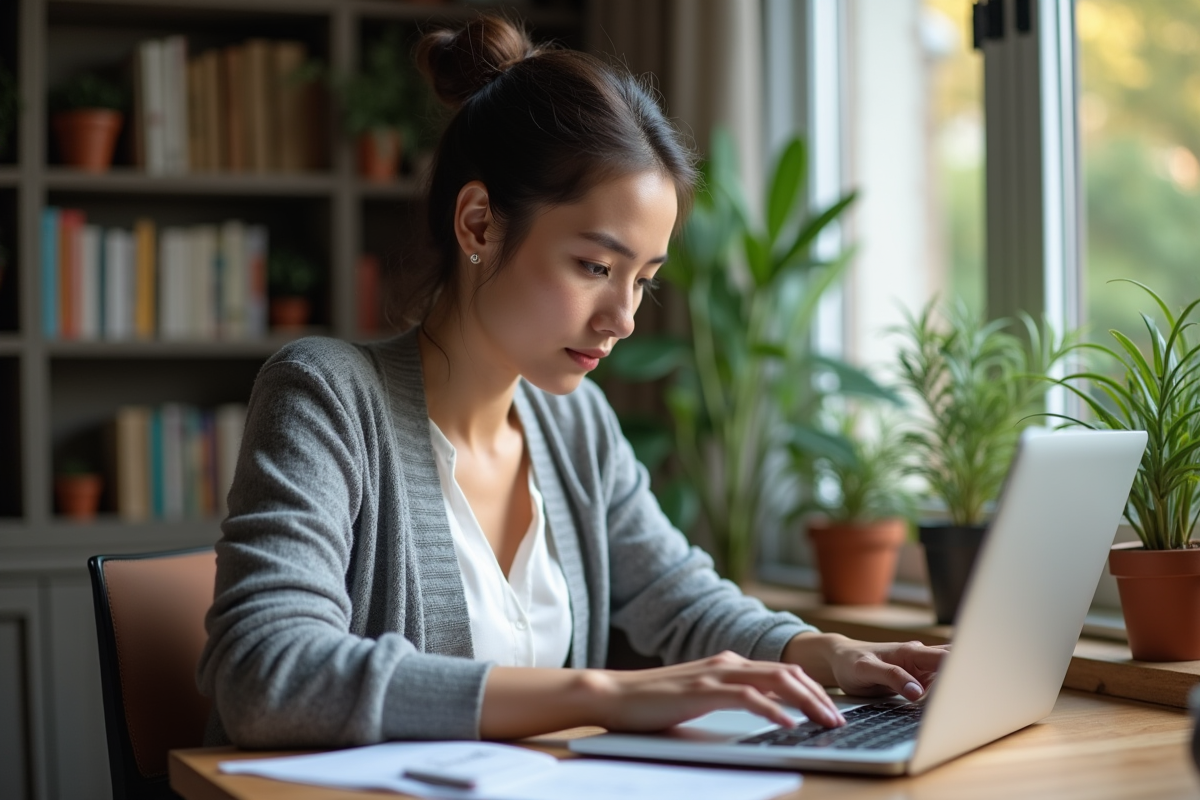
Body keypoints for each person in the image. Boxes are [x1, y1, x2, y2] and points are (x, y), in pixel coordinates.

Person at [197, 15, 946, 749]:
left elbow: (677, 595)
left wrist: (825, 652)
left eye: (643, 281)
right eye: (595, 266)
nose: (621, 318)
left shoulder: (575, 425)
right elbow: (265, 674)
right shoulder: (325, 397)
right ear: (480, 225)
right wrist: (602, 695)